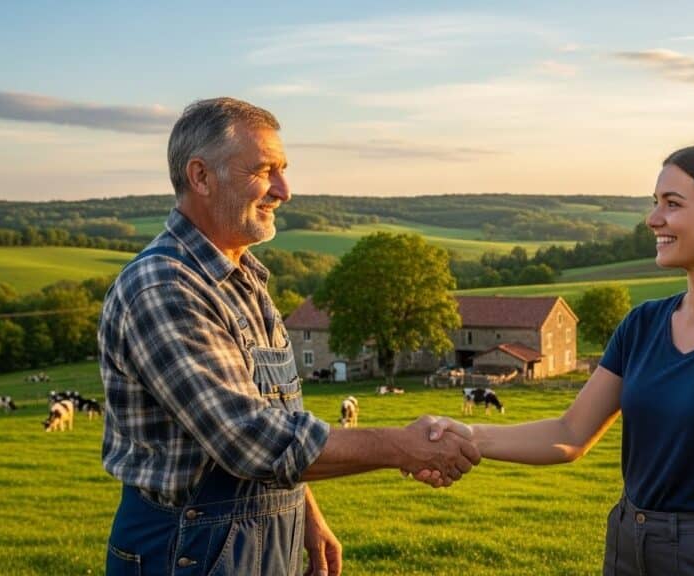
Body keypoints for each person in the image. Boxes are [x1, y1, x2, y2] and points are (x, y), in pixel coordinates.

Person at [99, 97, 478, 576]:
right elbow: (246, 437)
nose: (285, 190)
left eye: (283, 169)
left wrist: (302, 511)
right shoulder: (163, 287)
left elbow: (277, 414)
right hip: (186, 547)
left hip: (259, 537)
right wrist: (401, 445)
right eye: (264, 171)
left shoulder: (245, 279)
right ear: (201, 177)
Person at [425, 142, 694, 575]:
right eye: (655, 203)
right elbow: (569, 433)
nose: (653, 219)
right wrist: (468, 434)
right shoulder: (642, 325)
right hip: (629, 545)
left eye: (672, 204)